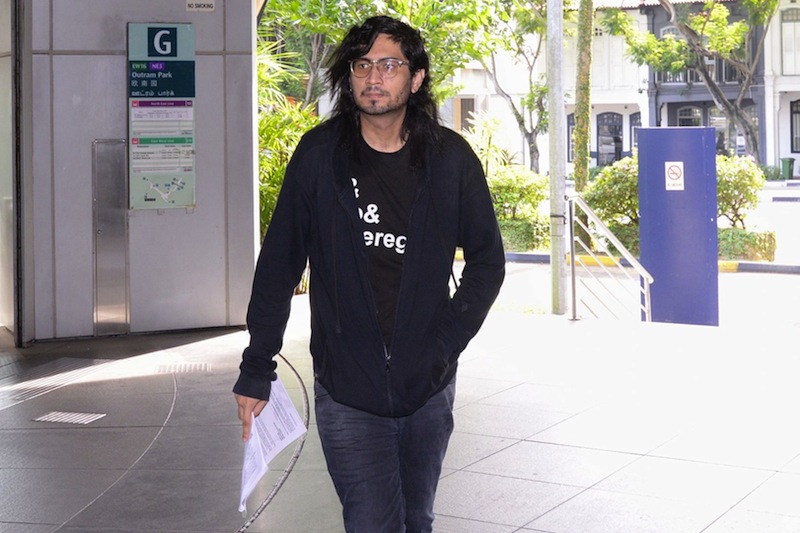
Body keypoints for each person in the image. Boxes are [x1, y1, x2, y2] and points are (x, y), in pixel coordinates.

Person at [233, 15, 505, 533]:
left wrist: (443, 342)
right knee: (373, 522)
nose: (373, 78)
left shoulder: (450, 161)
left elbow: (488, 262)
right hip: (346, 388)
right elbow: (278, 265)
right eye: (362, 65)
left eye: (389, 65)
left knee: (416, 519)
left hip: (428, 386)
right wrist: (257, 366)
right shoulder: (318, 157)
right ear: (349, 75)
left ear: (416, 78)